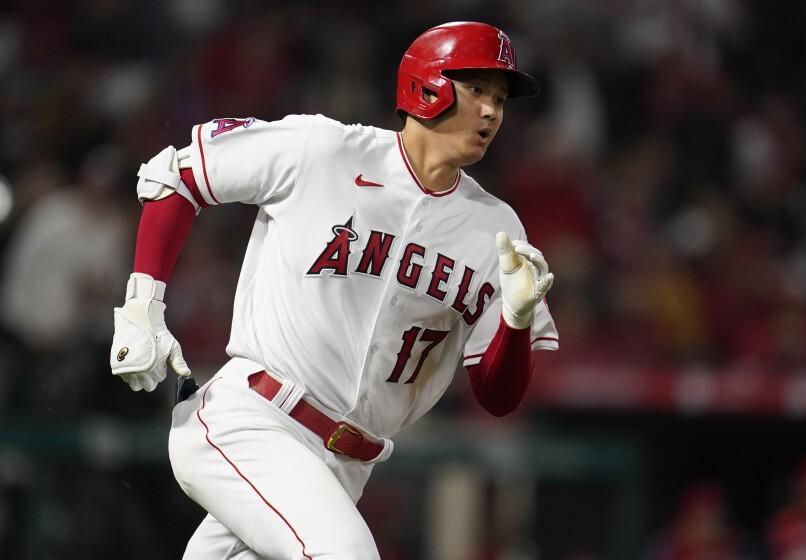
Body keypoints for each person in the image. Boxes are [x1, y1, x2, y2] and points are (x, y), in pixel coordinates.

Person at [110, 21, 558, 559]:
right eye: (478, 90)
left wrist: (516, 316)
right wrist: (142, 308)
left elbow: (498, 398)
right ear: (426, 86)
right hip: (254, 420)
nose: (491, 112)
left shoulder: (494, 228)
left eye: (501, 98)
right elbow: (177, 175)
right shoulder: (324, 151)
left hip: (347, 467)